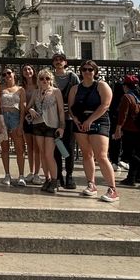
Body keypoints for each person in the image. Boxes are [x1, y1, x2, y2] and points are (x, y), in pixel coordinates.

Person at [67, 61, 119, 202]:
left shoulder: (102, 85)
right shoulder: (75, 88)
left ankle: (112, 189)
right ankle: (91, 184)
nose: (87, 71)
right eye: (84, 69)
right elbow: (71, 107)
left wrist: (90, 120)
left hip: (98, 121)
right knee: (86, 154)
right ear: (81, 71)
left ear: (95, 71)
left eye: (90, 69)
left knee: (101, 156)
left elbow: (105, 105)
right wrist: (76, 119)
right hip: (80, 122)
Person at [28, 69, 64, 194]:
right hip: (38, 124)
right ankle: (47, 178)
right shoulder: (36, 92)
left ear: (51, 80)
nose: (44, 81)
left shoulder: (56, 92)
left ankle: (55, 180)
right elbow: (28, 106)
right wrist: (31, 109)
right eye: (42, 78)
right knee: (43, 153)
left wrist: (61, 126)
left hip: (51, 125)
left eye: (47, 78)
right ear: (38, 80)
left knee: (49, 154)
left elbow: (60, 110)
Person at [51, 53, 79, 190]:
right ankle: (58, 176)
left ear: (65, 62)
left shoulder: (72, 77)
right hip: (53, 119)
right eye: (56, 60)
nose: (58, 62)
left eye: (61, 60)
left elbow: (79, 93)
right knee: (56, 148)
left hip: (69, 118)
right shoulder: (50, 77)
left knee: (69, 147)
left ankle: (69, 175)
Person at [0, 68, 26, 186]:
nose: (7, 75)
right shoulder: (1, 88)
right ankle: (7, 174)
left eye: (9, 73)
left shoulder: (20, 89)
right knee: (4, 148)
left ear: (14, 74)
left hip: (15, 117)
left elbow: (23, 107)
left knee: (19, 149)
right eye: (4, 74)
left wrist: (21, 124)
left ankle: (21, 175)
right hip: (4, 117)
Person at [20, 64, 42, 184]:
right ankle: (32, 171)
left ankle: (37, 173)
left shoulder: (39, 85)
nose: (27, 71)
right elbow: (22, 102)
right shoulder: (22, 87)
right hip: (26, 118)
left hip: (38, 118)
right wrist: (29, 110)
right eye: (25, 69)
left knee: (37, 146)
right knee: (29, 146)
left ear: (33, 71)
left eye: (29, 69)